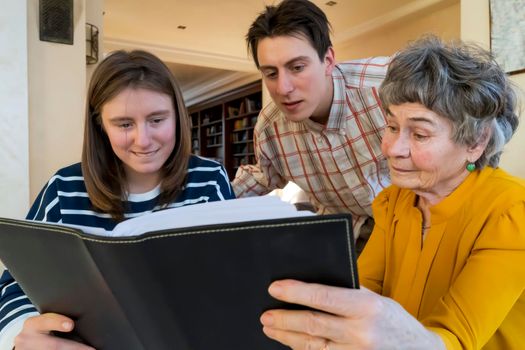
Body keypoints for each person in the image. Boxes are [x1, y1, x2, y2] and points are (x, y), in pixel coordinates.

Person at [258, 36, 525, 349]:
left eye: (420, 134)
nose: (393, 149)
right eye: (392, 126)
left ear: (476, 142)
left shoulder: (511, 212)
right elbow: (361, 292)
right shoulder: (394, 201)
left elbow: (454, 340)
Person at [0, 50, 234, 349]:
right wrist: (18, 338)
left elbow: (229, 278)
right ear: (101, 126)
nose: (143, 140)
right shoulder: (63, 189)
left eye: (157, 119)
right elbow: (16, 284)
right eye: (124, 124)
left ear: (178, 116)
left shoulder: (209, 180)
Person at [232, 0, 391, 251]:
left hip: (425, 231)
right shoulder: (270, 128)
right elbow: (262, 177)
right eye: (271, 74)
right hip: (350, 243)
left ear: (328, 60)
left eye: (297, 67)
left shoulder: (388, 84)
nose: (283, 88)